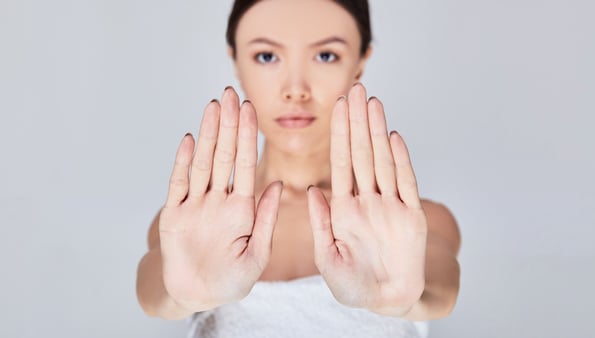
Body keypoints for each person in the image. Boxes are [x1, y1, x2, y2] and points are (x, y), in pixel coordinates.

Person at [136, 0, 461, 337]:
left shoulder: (412, 222)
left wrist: (406, 300)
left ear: (360, 62)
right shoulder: (194, 224)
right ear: (235, 60)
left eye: (325, 55)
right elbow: (152, 293)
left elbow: (440, 291)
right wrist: (178, 296)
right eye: (266, 56)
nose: (295, 90)